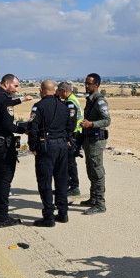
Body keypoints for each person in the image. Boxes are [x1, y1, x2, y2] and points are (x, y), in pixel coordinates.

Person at [28, 80, 74, 227]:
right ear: (54, 90)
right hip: (62, 146)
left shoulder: (38, 107)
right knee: (61, 181)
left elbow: (32, 128)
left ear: (41, 90)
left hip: (46, 147)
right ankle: (63, 213)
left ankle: (48, 216)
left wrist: (33, 147)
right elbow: (70, 126)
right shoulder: (64, 106)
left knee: (45, 182)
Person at [0, 74, 27, 227]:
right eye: (15, 86)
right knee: (4, 183)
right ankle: (2, 218)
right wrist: (23, 130)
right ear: (7, 83)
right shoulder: (4, 99)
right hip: (2, 147)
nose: (16, 89)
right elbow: (9, 125)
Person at [79, 73, 111, 215]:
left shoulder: (99, 101)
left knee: (97, 172)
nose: (86, 86)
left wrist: (91, 124)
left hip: (96, 141)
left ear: (96, 85)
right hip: (89, 140)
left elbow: (107, 120)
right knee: (90, 170)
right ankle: (93, 198)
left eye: (89, 84)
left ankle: (100, 203)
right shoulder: (90, 100)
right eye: (85, 83)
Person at [56, 81, 83, 196]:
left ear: (64, 91)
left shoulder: (70, 102)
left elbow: (71, 122)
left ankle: (74, 187)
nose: (58, 93)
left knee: (70, 162)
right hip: (73, 134)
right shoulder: (69, 100)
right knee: (67, 161)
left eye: (59, 91)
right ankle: (65, 186)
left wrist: (68, 136)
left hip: (73, 135)